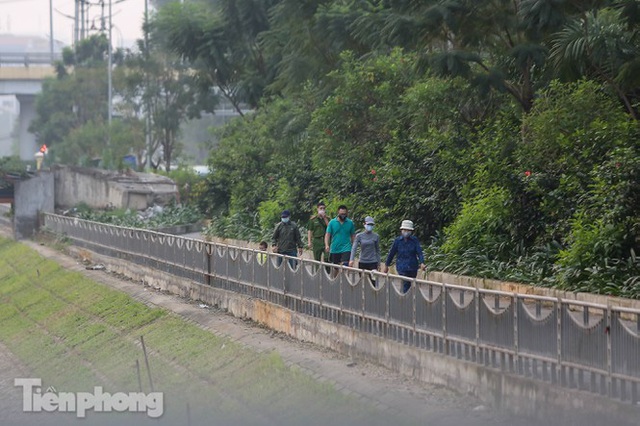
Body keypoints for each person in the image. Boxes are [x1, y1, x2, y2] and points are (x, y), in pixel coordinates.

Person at [383, 220, 426, 293]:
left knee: (411, 285)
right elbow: (391, 253)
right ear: (401, 230)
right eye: (404, 230)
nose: (406, 232)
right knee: (405, 284)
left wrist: (422, 263)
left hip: (412, 267)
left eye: (408, 230)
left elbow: (419, 252)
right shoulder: (397, 241)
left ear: (411, 231)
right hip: (401, 267)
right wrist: (387, 265)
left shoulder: (414, 240)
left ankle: (407, 297)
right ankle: (405, 299)